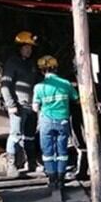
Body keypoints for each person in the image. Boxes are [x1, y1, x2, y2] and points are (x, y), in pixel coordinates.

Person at [32, 56, 78, 191]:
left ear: (41, 71)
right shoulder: (66, 84)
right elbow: (77, 99)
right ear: (56, 68)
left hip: (46, 122)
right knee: (62, 151)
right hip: (62, 121)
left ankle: (52, 180)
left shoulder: (39, 87)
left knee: (47, 152)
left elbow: (35, 107)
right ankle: (61, 179)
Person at [0, 31, 40, 177]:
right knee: (15, 135)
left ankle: (31, 163)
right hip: (18, 106)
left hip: (31, 106)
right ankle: (11, 165)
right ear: (19, 47)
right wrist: (11, 104)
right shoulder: (12, 63)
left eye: (31, 47)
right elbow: (5, 85)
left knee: (29, 136)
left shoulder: (31, 64)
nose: (29, 50)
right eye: (26, 47)